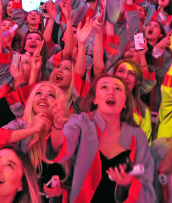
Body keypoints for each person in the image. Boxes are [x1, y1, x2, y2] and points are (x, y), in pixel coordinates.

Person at [46, 75, 156, 203]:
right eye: (104, 87)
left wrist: (129, 184)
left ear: (125, 102)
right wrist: (57, 127)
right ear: (95, 99)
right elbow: (60, 151)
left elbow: (148, 192)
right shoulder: (79, 123)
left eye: (118, 89)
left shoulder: (137, 136)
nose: (111, 92)